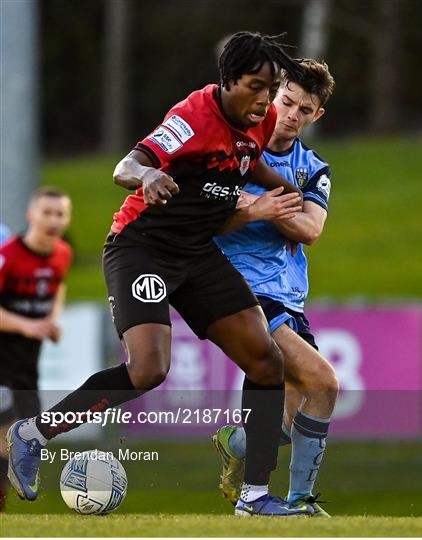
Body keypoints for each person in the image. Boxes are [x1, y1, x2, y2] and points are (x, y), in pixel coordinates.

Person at [7, 32, 315, 517]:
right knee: (149, 369)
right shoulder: (191, 117)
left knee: (265, 360)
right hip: (141, 249)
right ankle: (32, 432)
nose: (264, 100)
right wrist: (148, 176)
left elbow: (247, 161)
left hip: (197, 253)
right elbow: (126, 165)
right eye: (256, 86)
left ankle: (254, 497)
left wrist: (285, 194)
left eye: (270, 86)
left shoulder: (263, 118)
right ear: (229, 80)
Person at [213, 59, 339, 517]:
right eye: (286, 101)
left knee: (283, 424)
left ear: (315, 116)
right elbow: (213, 213)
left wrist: (261, 205)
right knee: (325, 381)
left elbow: (312, 230)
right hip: (242, 288)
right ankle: (300, 500)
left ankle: (235, 441)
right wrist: (268, 208)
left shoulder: (313, 167)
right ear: (273, 95)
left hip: (288, 295)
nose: (290, 114)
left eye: (303, 109)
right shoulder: (238, 148)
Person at [0, 187, 72, 510]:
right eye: (46, 212)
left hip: (28, 362)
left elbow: (58, 288)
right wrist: (29, 326)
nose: (53, 220)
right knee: (5, 430)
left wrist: (52, 320)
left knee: (27, 435)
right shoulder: (8, 255)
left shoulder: (62, 254)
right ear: (31, 215)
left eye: (60, 214)